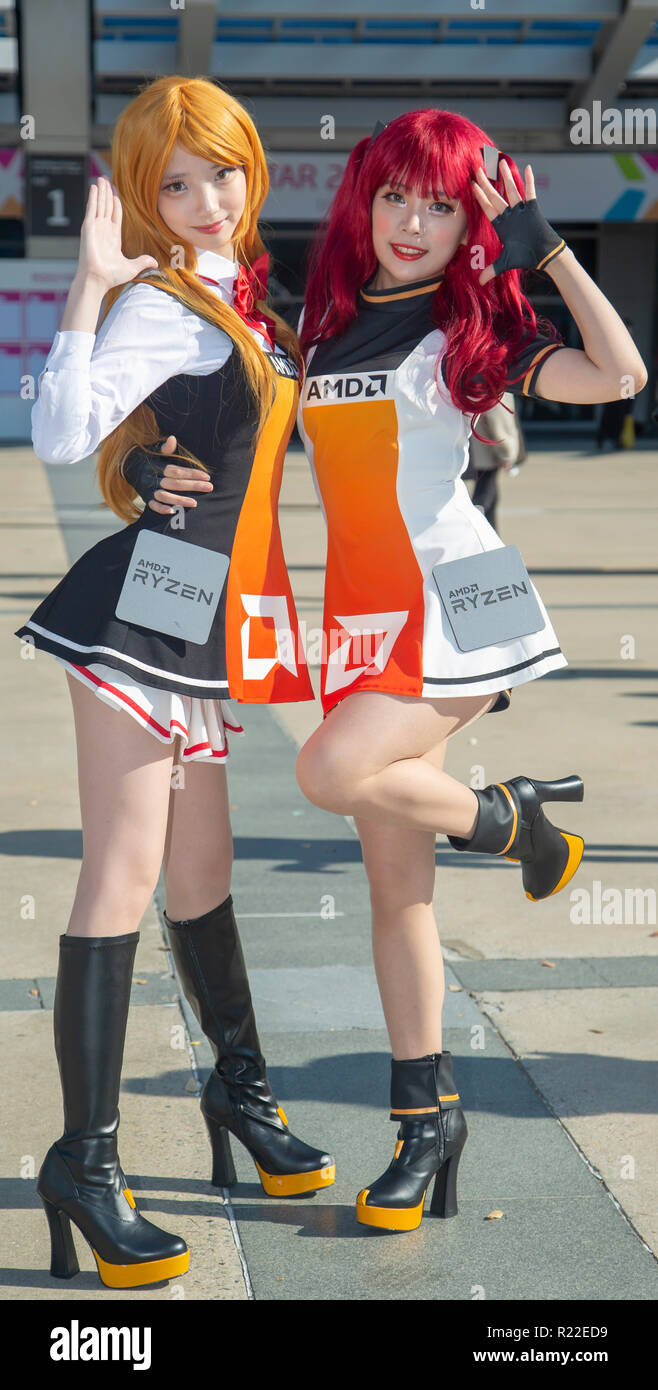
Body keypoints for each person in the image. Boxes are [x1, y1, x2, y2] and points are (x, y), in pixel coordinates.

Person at [124, 108, 647, 1237]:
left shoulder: (475, 326)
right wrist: (142, 457)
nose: (413, 222)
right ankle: (426, 1120)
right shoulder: (324, 323)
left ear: (470, 220)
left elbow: (619, 374)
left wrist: (543, 245)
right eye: (396, 196)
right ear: (363, 200)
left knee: (323, 771)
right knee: (392, 887)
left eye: (442, 204)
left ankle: (512, 821)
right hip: (358, 617)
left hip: (462, 600)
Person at [14, 75, 335, 1292]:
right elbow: (56, 433)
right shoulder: (157, 301)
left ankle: (239, 1099)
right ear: (145, 202)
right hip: (142, 607)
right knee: (124, 869)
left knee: (203, 873)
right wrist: (92, 290)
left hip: (198, 613)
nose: (208, 198)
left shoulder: (238, 303)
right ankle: (85, 1165)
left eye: (225, 171)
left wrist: (151, 456)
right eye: (177, 183)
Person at [465, 390, 526, 534]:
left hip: (476, 445)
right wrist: (506, 454)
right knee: (484, 496)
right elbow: (499, 419)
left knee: (489, 492)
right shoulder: (493, 380)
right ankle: (475, 534)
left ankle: (491, 538)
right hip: (486, 448)